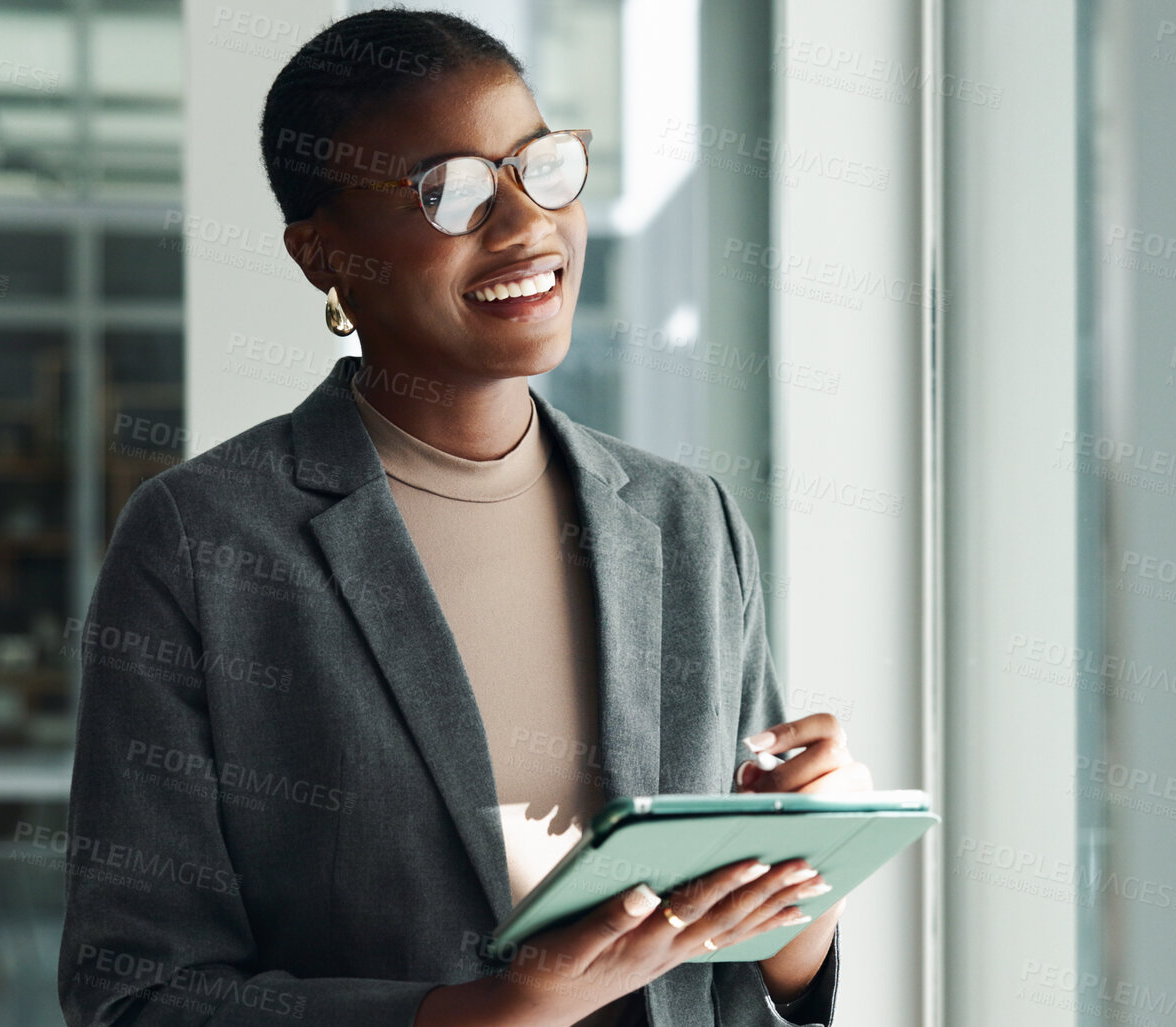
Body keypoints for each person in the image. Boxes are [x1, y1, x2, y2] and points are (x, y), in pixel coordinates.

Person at [56, 8, 872, 1026]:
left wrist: (795, 896)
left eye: (540, 165)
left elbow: (731, 976)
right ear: (322, 255)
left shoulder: (681, 519)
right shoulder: (205, 540)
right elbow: (133, 993)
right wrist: (482, 1014)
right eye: (449, 193)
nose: (526, 223)